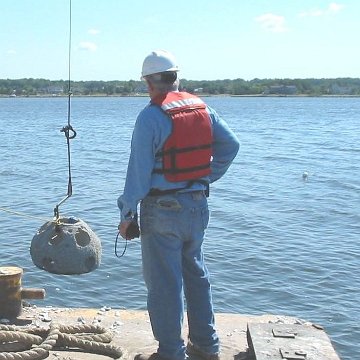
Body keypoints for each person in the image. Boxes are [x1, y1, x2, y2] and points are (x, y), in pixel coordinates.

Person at [118, 50, 240, 360]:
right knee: (196, 274)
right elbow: (231, 145)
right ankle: (206, 345)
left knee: (164, 284)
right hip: (197, 206)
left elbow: (138, 172)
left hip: (162, 211)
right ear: (176, 77)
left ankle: (171, 353)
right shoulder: (202, 108)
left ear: (148, 83)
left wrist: (127, 213)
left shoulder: (150, 116)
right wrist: (205, 177)